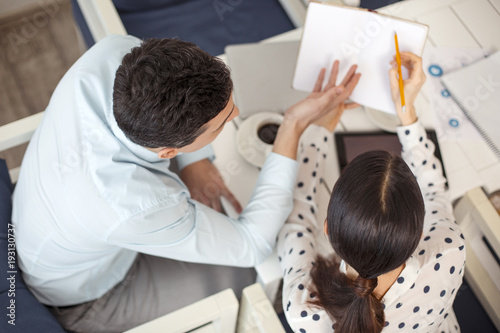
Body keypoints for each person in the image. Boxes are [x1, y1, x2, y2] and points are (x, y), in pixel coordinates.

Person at [12, 34, 360, 332]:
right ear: (167, 151)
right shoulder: (131, 204)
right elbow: (251, 243)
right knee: (256, 274)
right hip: (88, 297)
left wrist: (195, 159)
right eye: (221, 123)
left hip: (61, 224)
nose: (236, 115)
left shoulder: (119, 55)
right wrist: (293, 126)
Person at [277, 52, 466, 332]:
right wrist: (407, 110)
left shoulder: (305, 306)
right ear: (417, 233)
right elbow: (435, 190)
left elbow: (294, 218)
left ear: (328, 229)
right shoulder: (449, 250)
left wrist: (320, 129)